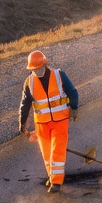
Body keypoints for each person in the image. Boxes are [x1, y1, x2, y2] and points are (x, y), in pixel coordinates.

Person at [19, 50, 79, 193]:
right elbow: (25, 104)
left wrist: (74, 108)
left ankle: (56, 183)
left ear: (45, 64)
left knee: (57, 150)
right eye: (33, 69)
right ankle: (52, 176)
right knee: (47, 154)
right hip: (41, 123)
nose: (36, 71)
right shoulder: (29, 82)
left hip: (60, 120)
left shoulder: (59, 75)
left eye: (39, 68)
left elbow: (73, 92)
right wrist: (22, 124)